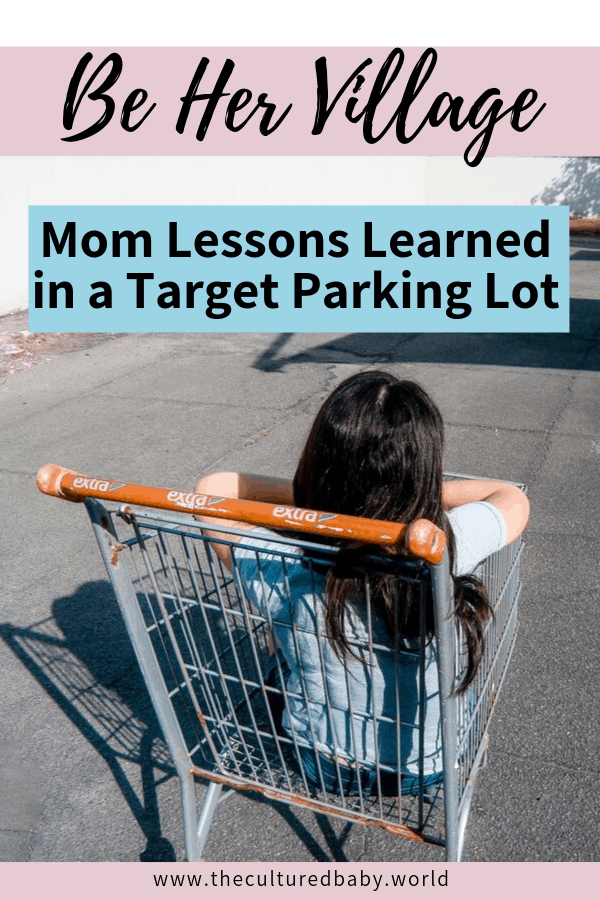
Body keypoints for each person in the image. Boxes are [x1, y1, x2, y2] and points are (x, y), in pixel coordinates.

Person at [195, 371, 529, 796]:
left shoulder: (282, 563)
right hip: (429, 762)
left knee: (283, 645)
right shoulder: (445, 546)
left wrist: (316, 501)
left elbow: (213, 490)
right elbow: (511, 497)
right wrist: (416, 496)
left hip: (323, 763)